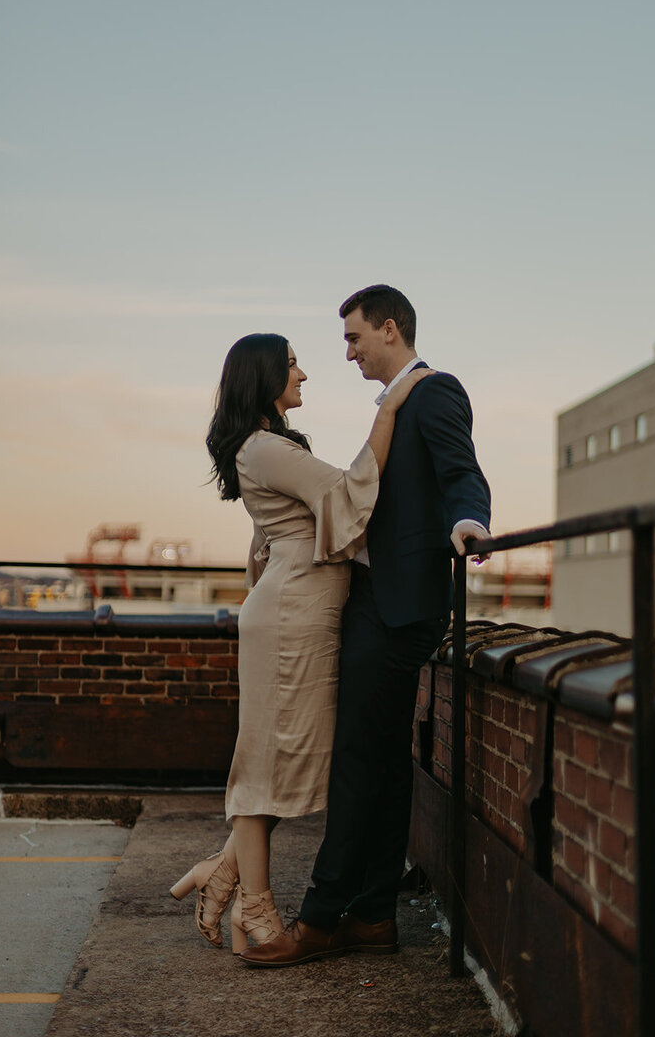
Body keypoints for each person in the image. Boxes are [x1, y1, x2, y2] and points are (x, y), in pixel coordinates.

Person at [239, 284, 491, 967]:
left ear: (387, 330)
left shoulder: (434, 393)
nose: (345, 353)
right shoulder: (393, 407)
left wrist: (469, 524)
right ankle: (374, 915)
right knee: (379, 761)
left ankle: (321, 919)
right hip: (375, 600)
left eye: (353, 338)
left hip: (400, 606)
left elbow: (463, 473)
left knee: (356, 760)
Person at [169, 331, 431, 951]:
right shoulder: (262, 446)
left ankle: (224, 870)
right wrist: (388, 409)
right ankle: (255, 913)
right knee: (266, 761)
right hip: (291, 615)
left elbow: (307, 517)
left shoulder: (269, 446)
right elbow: (345, 494)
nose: (304, 375)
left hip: (303, 611)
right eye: (292, 365)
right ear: (263, 377)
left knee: (298, 756)